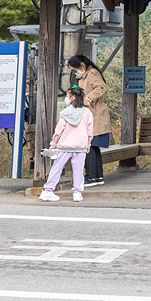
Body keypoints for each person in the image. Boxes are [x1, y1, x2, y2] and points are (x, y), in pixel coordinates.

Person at [39, 87, 93, 202]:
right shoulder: (87, 112)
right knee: (78, 170)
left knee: (57, 168)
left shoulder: (65, 113)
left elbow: (59, 130)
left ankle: (48, 190)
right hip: (81, 146)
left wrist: (53, 143)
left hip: (64, 146)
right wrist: (88, 144)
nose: (66, 98)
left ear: (72, 98)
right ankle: (77, 193)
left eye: (67, 96)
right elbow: (90, 130)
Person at [67, 54, 110, 187]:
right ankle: (97, 176)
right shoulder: (84, 77)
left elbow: (101, 87)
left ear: (82, 65)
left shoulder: (92, 73)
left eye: (75, 69)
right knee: (93, 147)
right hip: (90, 114)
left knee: (88, 146)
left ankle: (91, 176)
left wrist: (89, 98)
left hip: (95, 113)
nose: (75, 72)